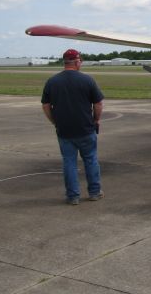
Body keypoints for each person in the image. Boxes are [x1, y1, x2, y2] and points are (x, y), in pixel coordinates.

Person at [41, 49, 104, 205]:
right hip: (85, 128)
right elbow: (98, 103)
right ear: (76, 62)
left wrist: (54, 121)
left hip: (64, 130)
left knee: (69, 162)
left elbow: (46, 105)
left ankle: (73, 196)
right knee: (90, 160)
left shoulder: (52, 81)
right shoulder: (88, 80)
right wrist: (96, 119)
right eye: (80, 61)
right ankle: (94, 192)